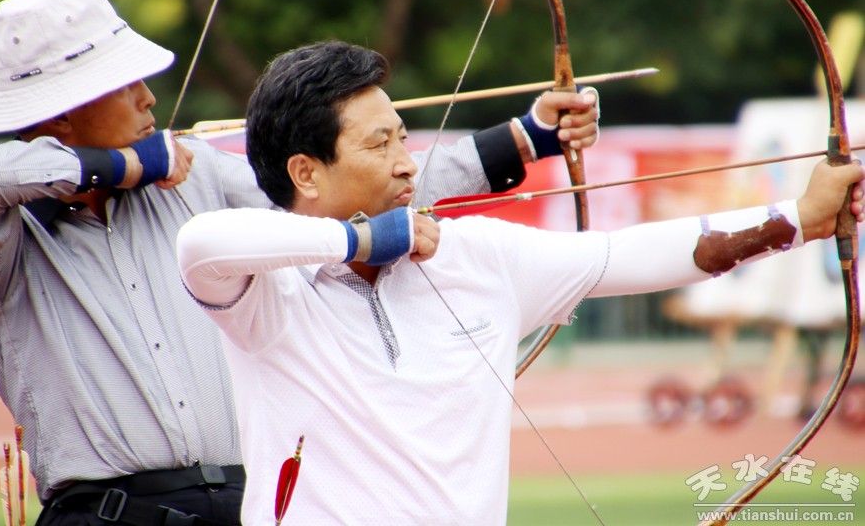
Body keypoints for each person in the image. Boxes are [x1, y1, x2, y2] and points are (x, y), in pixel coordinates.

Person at [0, 0, 599, 525]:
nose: (148, 98)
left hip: (241, 502)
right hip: (104, 515)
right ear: (62, 113)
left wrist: (525, 137)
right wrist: (125, 164)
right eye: (124, 85)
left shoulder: (194, 179)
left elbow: (346, 187)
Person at [175, 40, 865, 525]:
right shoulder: (269, 294)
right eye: (378, 144)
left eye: (403, 138)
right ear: (305, 172)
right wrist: (363, 240)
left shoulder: (476, 255)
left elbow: (630, 254)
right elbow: (201, 244)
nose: (408, 164)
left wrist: (799, 219)